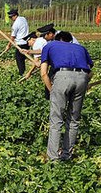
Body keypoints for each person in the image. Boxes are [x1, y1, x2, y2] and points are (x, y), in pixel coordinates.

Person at [40, 31, 93, 162]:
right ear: (70, 40)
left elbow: (43, 73)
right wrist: (85, 82)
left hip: (62, 76)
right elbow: (90, 71)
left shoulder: (50, 46)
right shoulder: (80, 48)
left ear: (57, 39)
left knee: (56, 119)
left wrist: (51, 90)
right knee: (74, 119)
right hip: (82, 77)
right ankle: (66, 155)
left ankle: (53, 157)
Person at [6, 8, 30, 75]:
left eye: (11, 17)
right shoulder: (23, 19)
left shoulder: (16, 24)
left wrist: (8, 45)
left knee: (19, 59)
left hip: (21, 44)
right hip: (27, 43)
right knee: (22, 59)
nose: (11, 19)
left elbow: (13, 36)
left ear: (15, 15)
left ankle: (21, 73)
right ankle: (23, 72)